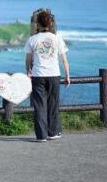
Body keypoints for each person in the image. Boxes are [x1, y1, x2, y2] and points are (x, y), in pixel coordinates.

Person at [25, 10, 70, 142]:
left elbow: (28, 59)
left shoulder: (32, 39)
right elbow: (64, 60)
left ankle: (41, 135)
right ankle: (53, 132)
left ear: (37, 24)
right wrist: (67, 75)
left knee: (39, 105)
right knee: (53, 104)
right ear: (50, 23)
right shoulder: (57, 39)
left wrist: (28, 71)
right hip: (54, 75)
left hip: (38, 75)